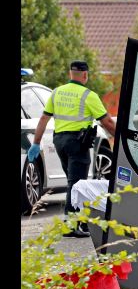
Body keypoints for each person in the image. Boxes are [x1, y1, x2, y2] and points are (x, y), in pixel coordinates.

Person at [27, 61, 116, 238]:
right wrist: (121, 139)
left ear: (70, 73)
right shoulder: (88, 95)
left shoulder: (56, 92)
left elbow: (44, 119)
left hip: (59, 142)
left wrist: (36, 142)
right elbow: (107, 122)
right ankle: (71, 225)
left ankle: (79, 222)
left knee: (73, 181)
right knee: (76, 183)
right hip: (77, 143)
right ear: (85, 75)